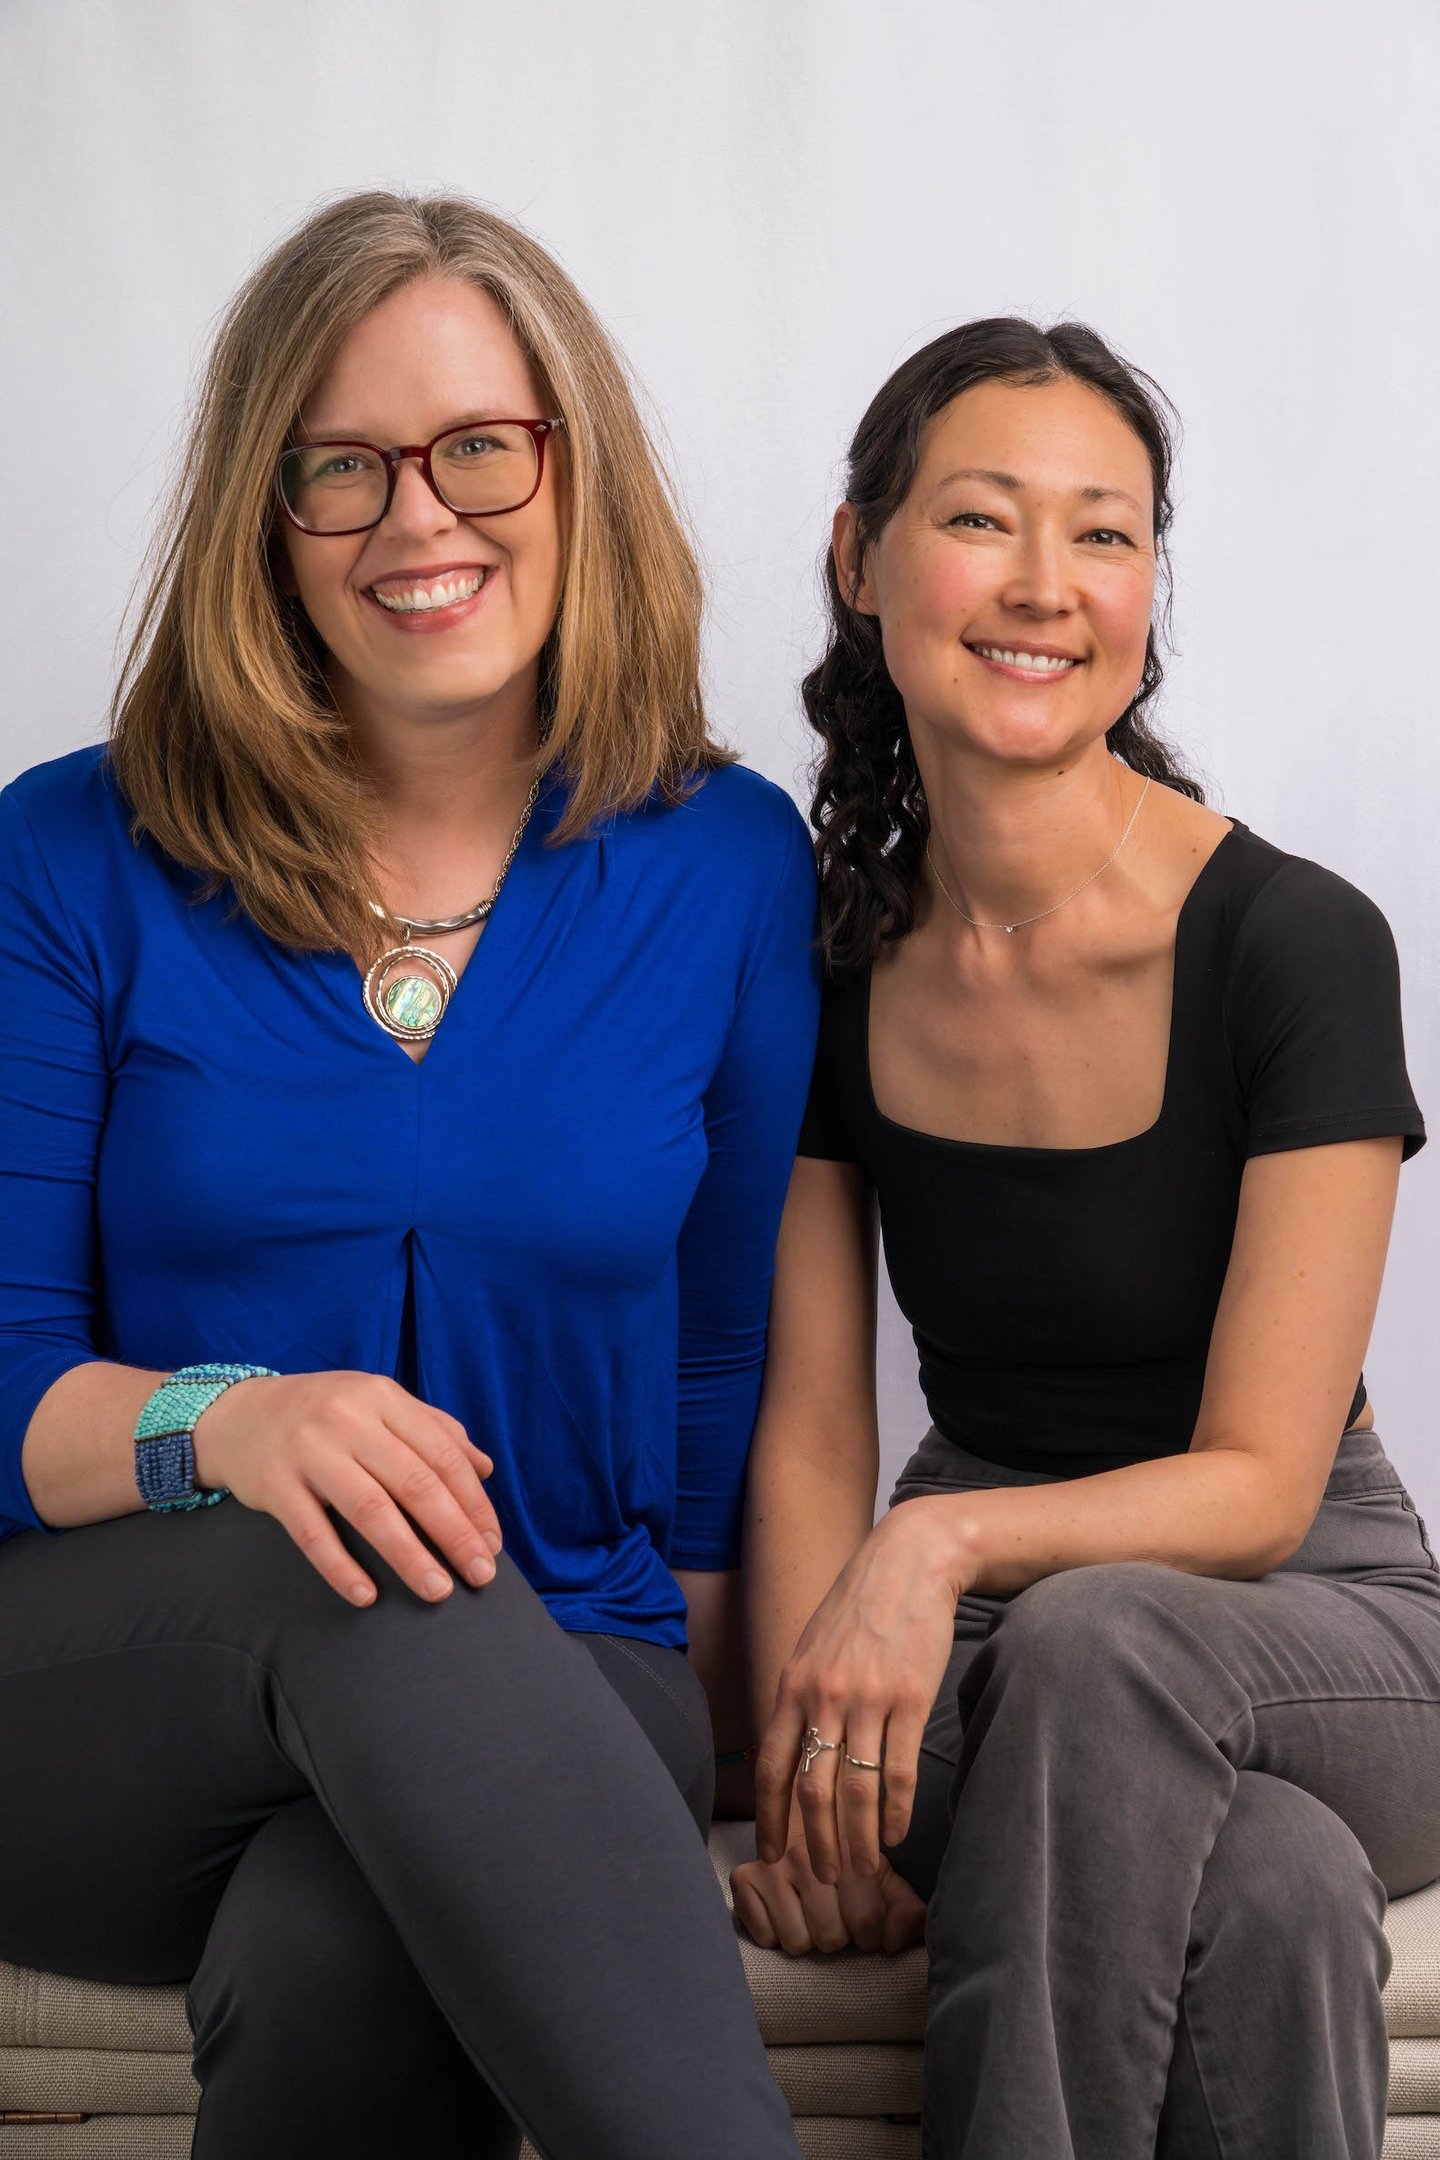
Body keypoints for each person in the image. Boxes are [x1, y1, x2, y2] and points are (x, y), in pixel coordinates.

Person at [0, 190, 814, 2160]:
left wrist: (743, 1775)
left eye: (475, 450)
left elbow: (717, 1380)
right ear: (261, 521)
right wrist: (236, 1426)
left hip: (578, 1663)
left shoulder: (722, 862)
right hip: (118, 1702)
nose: (414, 522)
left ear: (571, 466)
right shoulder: (70, 854)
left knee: (348, 1940)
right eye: (337, 471)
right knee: (346, 1552)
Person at [731, 317, 1440, 2159]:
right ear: (859, 558)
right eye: (983, 519)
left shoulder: (1294, 942)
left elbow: (1266, 1487)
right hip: (1003, 1644)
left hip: (1329, 1621)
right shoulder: (830, 957)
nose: (1048, 586)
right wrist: (815, 1776)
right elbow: (813, 1420)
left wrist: (941, 1538)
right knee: (1272, 1890)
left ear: (1149, 588)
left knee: (1100, 1644)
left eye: (1108, 535)